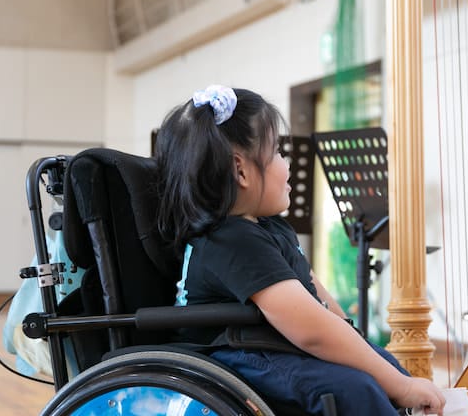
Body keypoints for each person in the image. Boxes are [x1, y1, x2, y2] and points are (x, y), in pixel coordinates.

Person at [155, 84, 445, 416]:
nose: (286, 162)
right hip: (235, 356)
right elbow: (311, 331)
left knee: (379, 362)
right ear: (241, 170)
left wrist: (361, 347)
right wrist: (402, 386)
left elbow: (321, 306)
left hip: (266, 348)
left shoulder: (270, 227)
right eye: (278, 151)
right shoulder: (231, 241)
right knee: (351, 390)